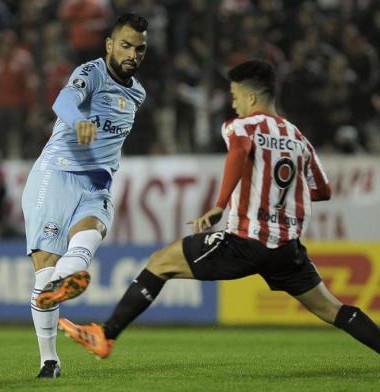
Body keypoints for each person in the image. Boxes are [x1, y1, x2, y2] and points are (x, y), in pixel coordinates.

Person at [59, 60, 380, 359]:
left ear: (251, 97)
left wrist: (220, 205)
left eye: (235, 95)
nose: (233, 103)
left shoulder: (242, 127)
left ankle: (105, 335)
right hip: (286, 249)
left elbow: (239, 152)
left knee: (161, 262)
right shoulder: (298, 137)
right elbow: (322, 190)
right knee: (332, 309)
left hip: (246, 241)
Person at [21, 13, 148, 378]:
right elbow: (62, 102)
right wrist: (77, 119)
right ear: (109, 44)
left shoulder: (137, 93)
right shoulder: (91, 73)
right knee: (44, 273)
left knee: (88, 239)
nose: (132, 54)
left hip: (98, 183)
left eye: (139, 48)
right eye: (125, 45)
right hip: (56, 175)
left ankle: (63, 282)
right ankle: (49, 360)